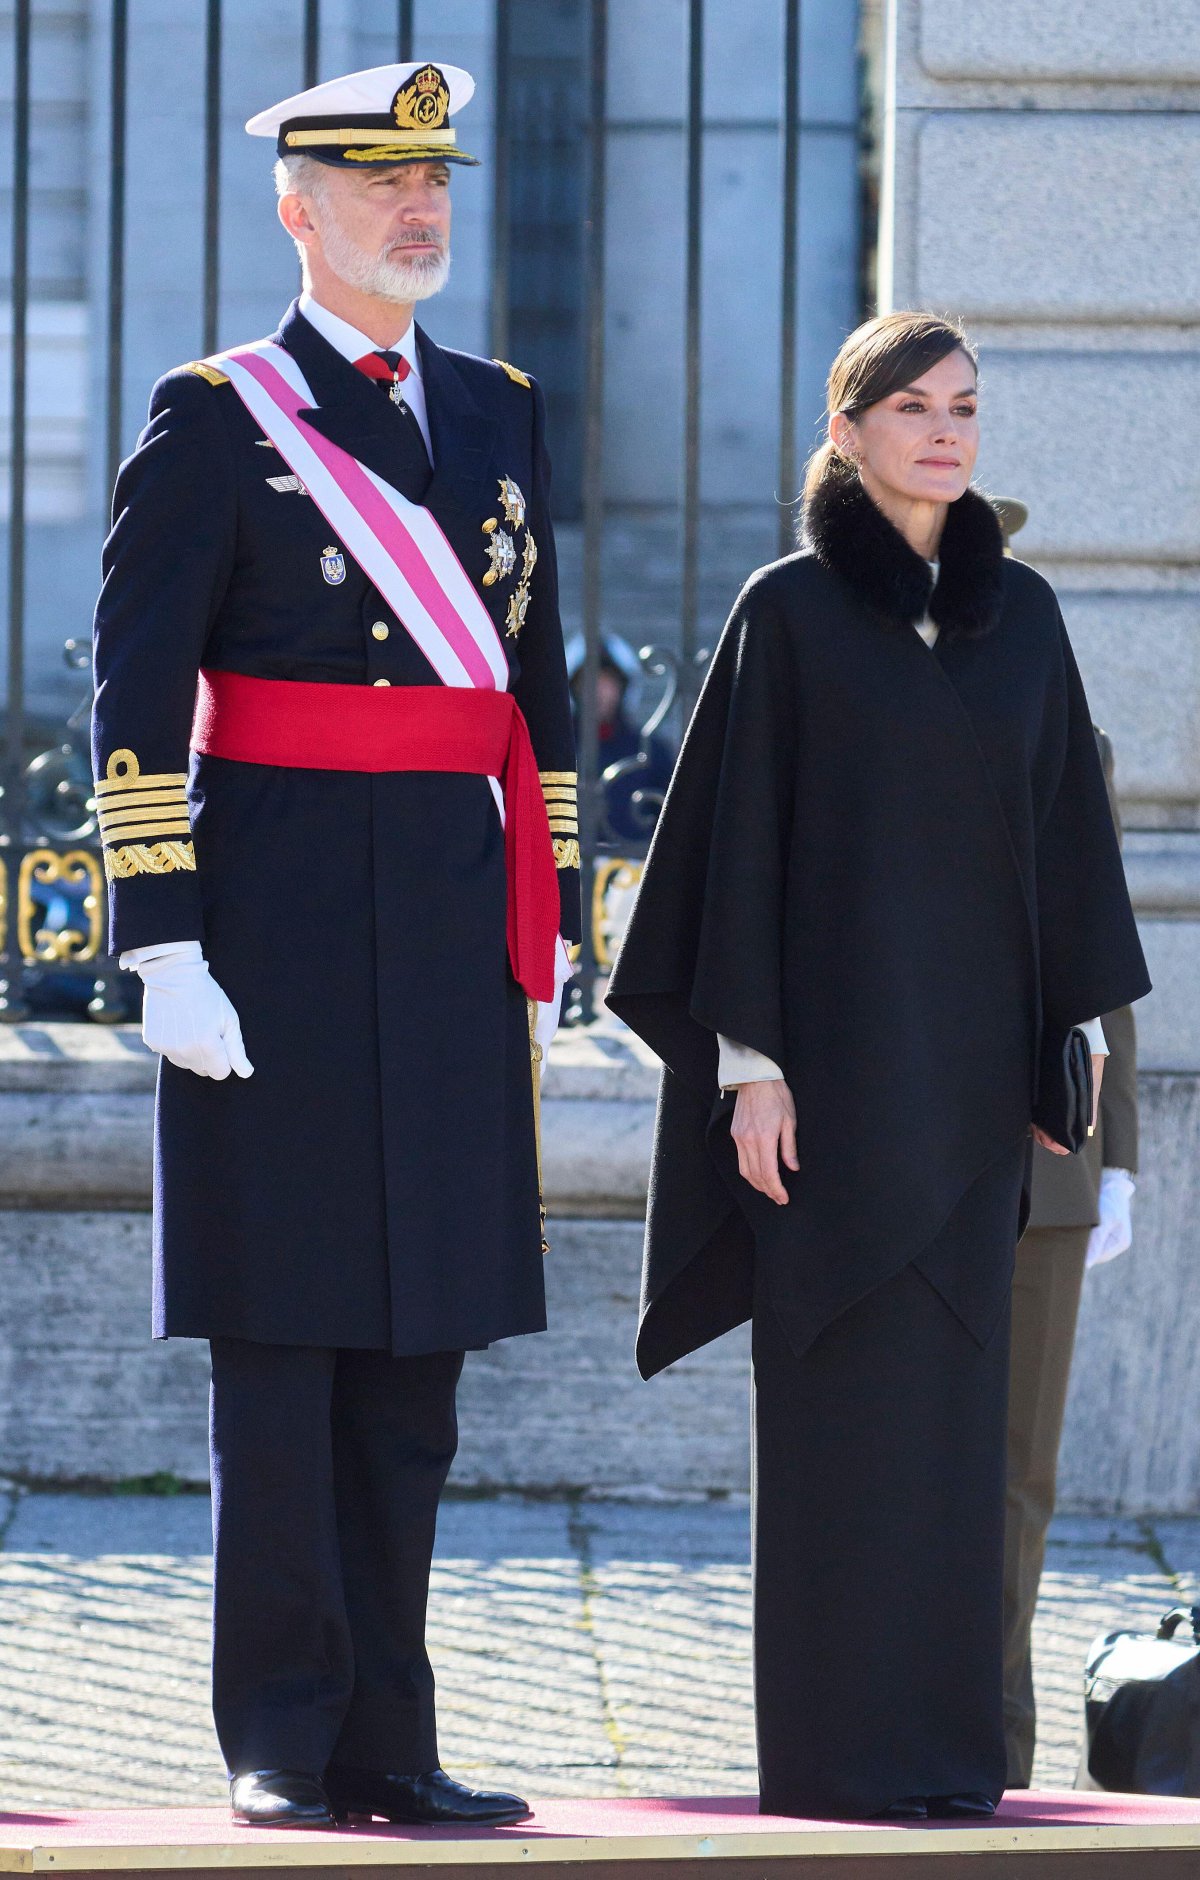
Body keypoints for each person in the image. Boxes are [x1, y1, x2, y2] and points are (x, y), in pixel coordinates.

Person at [91, 61, 579, 1830]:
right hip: (275, 924)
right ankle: (283, 1735)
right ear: (298, 212)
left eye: (433, 177)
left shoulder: (504, 410)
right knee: (285, 1351)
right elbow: (134, 691)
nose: (418, 206)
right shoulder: (219, 415)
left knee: (417, 1365)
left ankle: (397, 1736)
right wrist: (163, 945)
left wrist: (558, 918)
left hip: (450, 928)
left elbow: (536, 694)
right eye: (377, 183)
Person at [607, 310, 1150, 1821]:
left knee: (961, 1457)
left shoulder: (1023, 616)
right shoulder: (786, 616)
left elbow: (1067, 851)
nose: (945, 433)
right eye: (912, 408)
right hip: (829, 1108)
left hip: (979, 1106)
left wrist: (1077, 1053)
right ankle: (840, 1766)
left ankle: (951, 1765)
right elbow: (732, 863)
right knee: (844, 1431)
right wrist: (751, 1066)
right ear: (848, 433)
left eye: (965, 407)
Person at [1004, 724, 1139, 1787]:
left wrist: (1121, 1155)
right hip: (890, 1165)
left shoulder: (1065, 732)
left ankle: (993, 1744)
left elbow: (1104, 945)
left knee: (1015, 1476)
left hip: (1041, 1166)